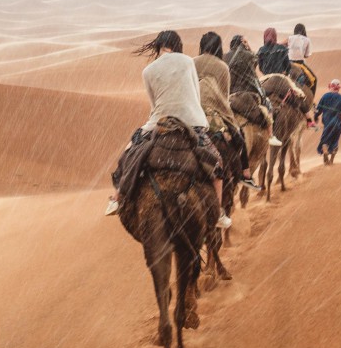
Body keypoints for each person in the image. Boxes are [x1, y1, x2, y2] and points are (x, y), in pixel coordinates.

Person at [105, 30, 232, 229]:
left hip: (159, 120)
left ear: (158, 47)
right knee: (216, 163)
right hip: (191, 120)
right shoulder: (188, 61)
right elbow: (195, 94)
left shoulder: (148, 71)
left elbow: (153, 103)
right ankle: (216, 213)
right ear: (177, 45)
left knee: (130, 153)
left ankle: (117, 197)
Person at [194, 31, 262, 191]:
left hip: (192, 110)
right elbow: (224, 97)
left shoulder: (192, 62)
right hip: (214, 113)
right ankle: (246, 174)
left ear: (202, 46)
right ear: (218, 47)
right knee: (240, 136)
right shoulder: (222, 67)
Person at [225, 34, 284, 147]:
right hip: (249, 91)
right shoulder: (249, 55)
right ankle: (270, 134)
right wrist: (248, 47)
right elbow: (256, 60)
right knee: (268, 105)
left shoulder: (225, 57)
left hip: (230, 93)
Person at [313, 79, 341, 165]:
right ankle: (332, 160)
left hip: (327, 123)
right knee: (335, 141)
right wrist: (339, 109)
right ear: (339, 88)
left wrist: (316, 116)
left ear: (330, 86)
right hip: (337, 123)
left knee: (324, 141)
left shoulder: (325, 96)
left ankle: (325, 153)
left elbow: (318, 110)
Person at [286, 23, 318, 94]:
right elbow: (306, 55)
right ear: (304, 31)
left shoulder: (290, 38)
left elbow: (280, 44)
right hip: (299, 64)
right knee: (314, 80)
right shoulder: (307, 40)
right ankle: (311, 101)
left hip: (289, 63)